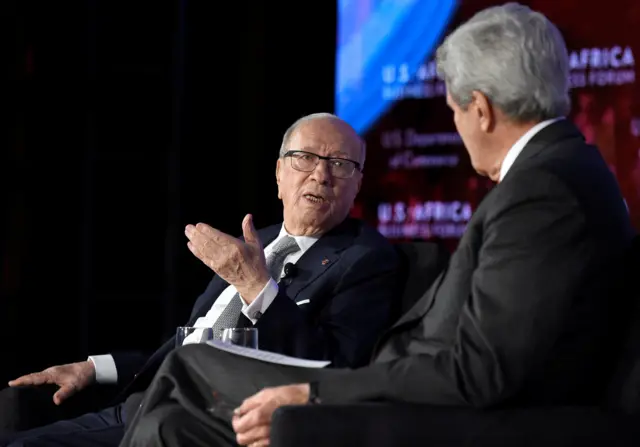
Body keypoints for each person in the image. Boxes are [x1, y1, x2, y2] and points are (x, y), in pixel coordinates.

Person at [118, 4, 636, 447]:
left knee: (192, 369)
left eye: (453, 110)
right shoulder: (562, 173)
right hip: (420, 390)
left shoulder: (543, 191)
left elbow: (482, 371)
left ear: (479, 109)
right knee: (170, 419)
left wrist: (316, 394)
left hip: (435, 412)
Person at [0, 113, 402, 446]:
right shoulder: (256, 241)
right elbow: (190, 345)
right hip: (141, 401)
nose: (321, 174)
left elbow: (333, 369)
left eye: (340, 164)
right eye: (305, 158)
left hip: (200, 417)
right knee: (14, 417)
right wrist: (95, 368)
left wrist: (256, 287)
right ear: (279, 173)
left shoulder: (366, 260)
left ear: (358, 184)